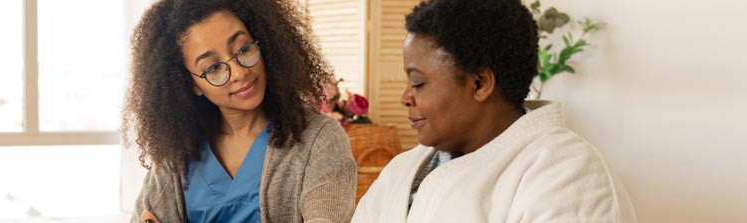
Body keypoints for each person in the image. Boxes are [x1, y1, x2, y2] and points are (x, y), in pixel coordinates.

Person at [351, 0, 632, 222]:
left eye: (418, 83)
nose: (405, 97)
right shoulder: (401, 170)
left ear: (480, 83)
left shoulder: (565, 172)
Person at [125, 0, 356, 222]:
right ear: (192, 84)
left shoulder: (320, 139)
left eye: (244, 49)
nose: (239, 73)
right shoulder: (178, 151)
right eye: (214, 68)